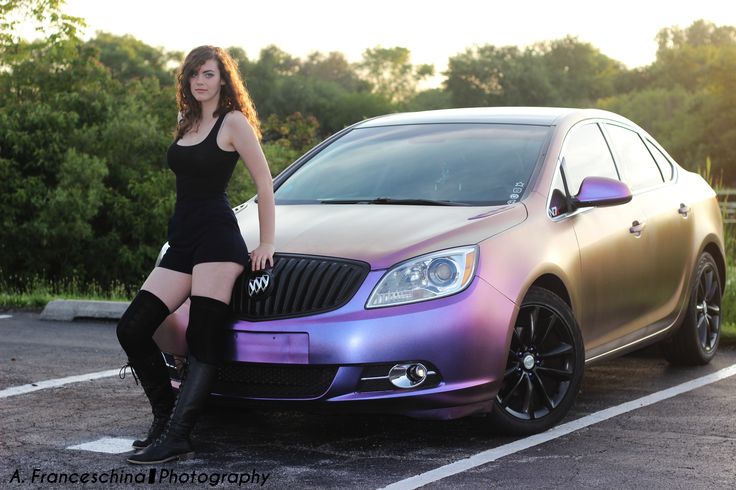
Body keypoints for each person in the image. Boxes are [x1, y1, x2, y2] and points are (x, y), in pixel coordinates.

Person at [116, 45, 275, 465]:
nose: (200, 82)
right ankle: (165, 419)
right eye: (193, 75)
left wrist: (267, 243)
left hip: (218, 242)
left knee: (202, 338)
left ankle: (179, 436)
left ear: (224, 79)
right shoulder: (185, 121)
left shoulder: (233, 122)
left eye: (208, 74)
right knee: (133, 327)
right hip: (183, 240)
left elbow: (264, 182)